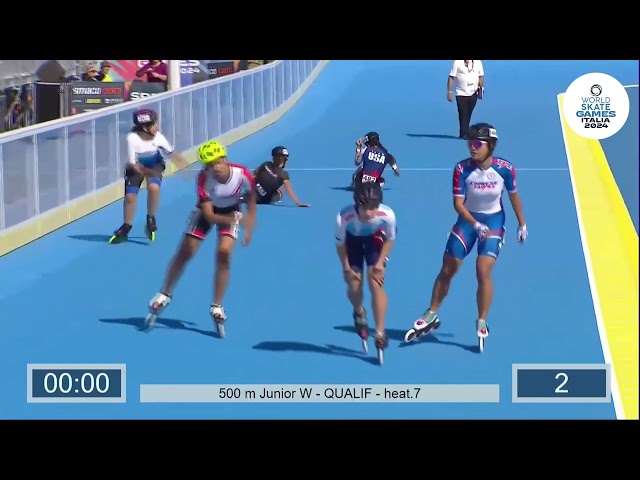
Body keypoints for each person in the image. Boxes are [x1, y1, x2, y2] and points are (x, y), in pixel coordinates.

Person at [404, 123, 528, 348]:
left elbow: (514, 196)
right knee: (448, 269)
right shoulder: (462, 169)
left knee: (482, 270)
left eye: (477, 144)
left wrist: (522, 224)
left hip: (494, 222)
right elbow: (458, 204)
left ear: (490, 146)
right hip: (467, 222)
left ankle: (482, 320)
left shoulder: (505, 169)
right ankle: (432, 313)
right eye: (470, 143)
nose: (472, 148)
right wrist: (474, 223)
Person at [145, 140, 257, 337]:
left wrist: (249, 227)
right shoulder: (203, 179)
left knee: (224, 254)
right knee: (186, 251)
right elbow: (210, 216)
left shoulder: (243, 174)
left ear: (224, 159)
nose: (215, 168)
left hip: (232, 211)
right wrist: (233, 219)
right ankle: (164, 292)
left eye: (217, 162)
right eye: (209, 165)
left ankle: (217, 306)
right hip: (208, 213)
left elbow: (251, 199)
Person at [335, 181, 397, 359]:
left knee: (375, 283)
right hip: (351, 242)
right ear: (357, 204)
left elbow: (390, 239)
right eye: (364, 208)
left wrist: (380, 262)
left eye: (373, 208)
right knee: (354, 284)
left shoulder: (388, 215)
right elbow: (340, 245)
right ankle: (359, 312)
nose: (369, 213)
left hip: (373, 241)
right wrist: (346, 268)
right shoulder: (343, 217)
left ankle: (379, 332)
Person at [109, 109, 188, 244]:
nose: (156, 127)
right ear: (144, 128)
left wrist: (186, 166)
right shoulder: (132, 138)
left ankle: (150, 217)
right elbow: (134, 165)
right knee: (130, 197)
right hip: (137, 167)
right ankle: (126, 226)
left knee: (154, 188)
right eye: (153, 124)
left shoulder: (158, 137)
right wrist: (150, 173)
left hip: (155, 164)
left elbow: (172, 153)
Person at [447, 60, 485, 139]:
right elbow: (451, 77)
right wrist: (449, 92)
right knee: (463, 113)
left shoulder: (478, 62)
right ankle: (464, 133)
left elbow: (481, 76)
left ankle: (464, 131)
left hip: (473, 93)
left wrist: (481, 89)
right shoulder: (457, 62)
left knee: (468, 113)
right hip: (461, 93)